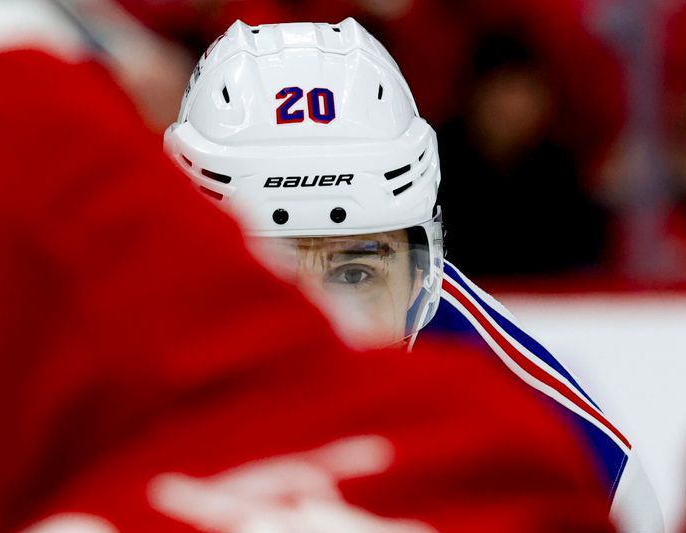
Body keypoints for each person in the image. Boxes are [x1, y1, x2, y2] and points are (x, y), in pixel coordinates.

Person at [0, 3, 618, 532]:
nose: (318, 313)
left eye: (357, 270)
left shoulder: (565, 447)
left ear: (426, 269)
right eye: (270, 266)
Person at [164, 18, 664, 533]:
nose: (321, 328)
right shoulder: (101, 390)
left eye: (354, 274)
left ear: (419, 277)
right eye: (274, 273)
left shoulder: (573, 468)